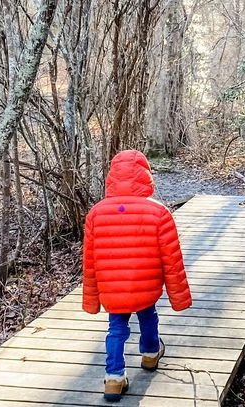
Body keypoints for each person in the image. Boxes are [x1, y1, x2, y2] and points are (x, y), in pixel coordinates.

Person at [82, 150, 192, 402]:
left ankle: (113, 378)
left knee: (116, 329)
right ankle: (151, 353)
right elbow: (172, 259)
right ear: (145, 175)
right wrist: (179, 298)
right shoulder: (158, 212)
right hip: (146, 284)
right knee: (148, 315)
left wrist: (91, 299)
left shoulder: (96, 213)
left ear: (111, 177)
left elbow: (89, 262)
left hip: (112, 288)